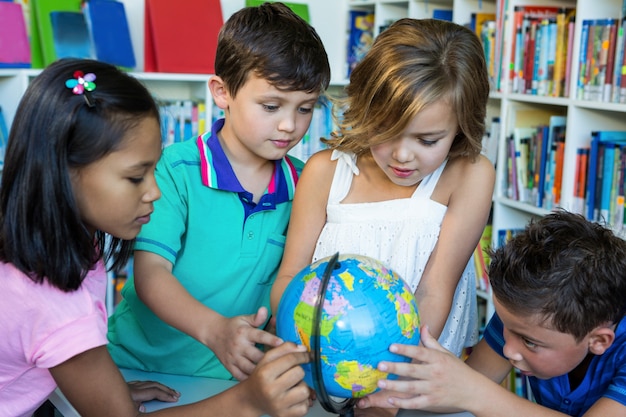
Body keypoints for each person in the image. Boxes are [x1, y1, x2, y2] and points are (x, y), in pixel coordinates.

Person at [0, 58, 313, 417]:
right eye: (136, 177)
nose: (155, 192)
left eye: (153, 170)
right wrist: (247, 400)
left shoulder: (56, 244)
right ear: (64, 173)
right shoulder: (55, 305)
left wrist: (101, 388)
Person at [106, 1, 331, 382]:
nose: (290, 125)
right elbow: (150, 275)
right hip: (139, 369)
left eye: (306, 109)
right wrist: (215, 331)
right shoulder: (174, 169)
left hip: (235, 381)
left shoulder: (308, 182)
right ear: (222, 92)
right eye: (272, 106)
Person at [270, 17, 494, 358]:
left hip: (417, 375)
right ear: (365, 108)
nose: (403, 156)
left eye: (428, 140)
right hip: (324, 368)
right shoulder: (325, 172)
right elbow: (291, 277)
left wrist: (388, 378)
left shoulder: (470, 175)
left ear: (461, 127)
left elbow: (435, 292)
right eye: (386, 131)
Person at [358, 210, 626, 417]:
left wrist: (475, 393)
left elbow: (473, 389)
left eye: (529, 342)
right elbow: (460, 388)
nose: (508, 350)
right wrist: (393, 396)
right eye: (507, 329)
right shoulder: (524, 316)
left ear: (599, 341)